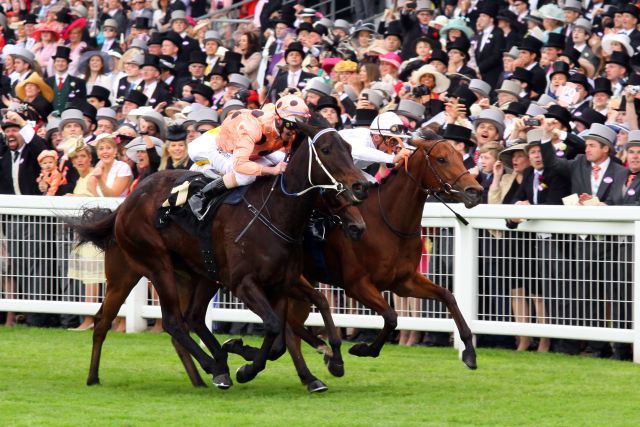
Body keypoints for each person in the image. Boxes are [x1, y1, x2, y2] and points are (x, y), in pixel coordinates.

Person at [187, 94, 311, 219]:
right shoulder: (251, 128)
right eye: (292, 125)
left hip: (245, 148)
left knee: (287, 162)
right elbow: (240, 164)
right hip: (209, 147)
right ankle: (201, 196)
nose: (295, 131)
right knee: (247, 176)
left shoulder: (284, 125)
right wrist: (272, 170)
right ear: (278, 119)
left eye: (299, 126)